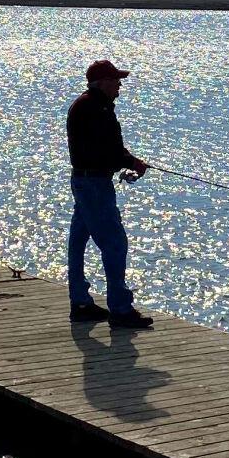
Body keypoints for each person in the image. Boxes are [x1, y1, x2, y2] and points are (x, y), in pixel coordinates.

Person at [66, 60, 154, 329]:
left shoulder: (90, 106)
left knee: (78, 241)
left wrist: (126, 160)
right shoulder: (94, 109)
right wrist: (133, 162)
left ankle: (80, 302)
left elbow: (106, 148)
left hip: (86, 181)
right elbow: (108, 150)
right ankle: (119, 308)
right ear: (101, 82)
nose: (120, 84)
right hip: (93, 184)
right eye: (116, 80)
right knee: (115, 243)